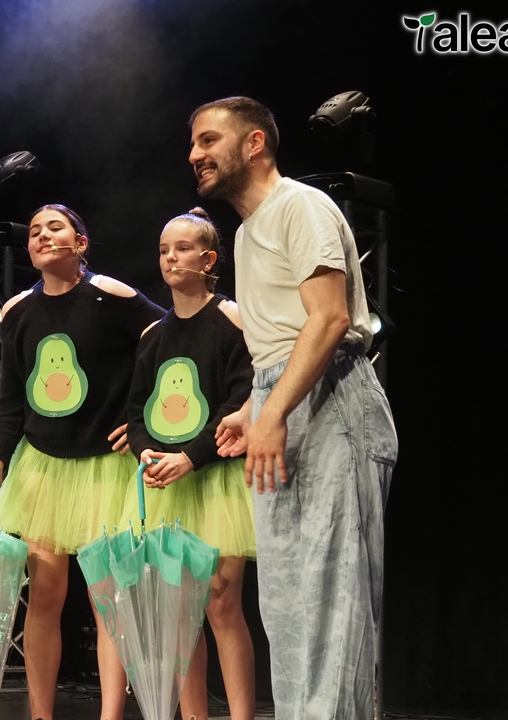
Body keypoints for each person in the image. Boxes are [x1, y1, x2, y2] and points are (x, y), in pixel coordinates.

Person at [188, 96, 397, 719]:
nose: (195, 154)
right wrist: (256, 407)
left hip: (334, 402)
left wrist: (274, 410)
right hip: (283, 400)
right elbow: (277, 342)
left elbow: (328, 318)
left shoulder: (299, 205)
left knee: (332, 601)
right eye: (193, 144)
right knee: (287, 603)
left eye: (208, 140)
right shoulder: (247, 232)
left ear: (254, 143)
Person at [0, 205, 164, 720]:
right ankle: (40, 714)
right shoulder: (18, 311)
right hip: (43, 465)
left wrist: (141, 418)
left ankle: (110, 715)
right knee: (43, 595)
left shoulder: (110, 295)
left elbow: (172, 339)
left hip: (105, 465)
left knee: (108, 598)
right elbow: (11, 398)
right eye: (35, 231)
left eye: (54, 227)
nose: (42, 235)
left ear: (81, 242)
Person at [125, 208, 257, 720]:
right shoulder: (152, 336)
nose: (170, 258)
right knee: (180, 613)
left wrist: (191, 456)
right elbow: (138, 410)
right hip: (169, 483)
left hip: (216, 478)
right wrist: (145, 452)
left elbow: (240, 401)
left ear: (208, 259)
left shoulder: (230, 319)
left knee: (221, 603)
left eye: (182, 249)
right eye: (164, 250)